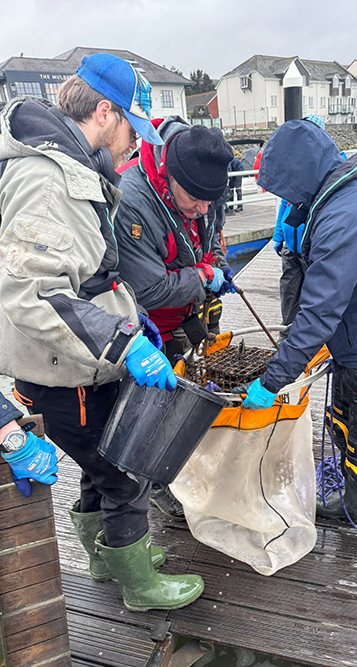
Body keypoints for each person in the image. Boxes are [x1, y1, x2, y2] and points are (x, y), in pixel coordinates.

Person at [0, 53, 202, 612]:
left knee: (96, 467)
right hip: (68, 374)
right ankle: (138, 587)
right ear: (105, 113)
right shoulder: (47, 180)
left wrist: (128, 319)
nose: (134, 146)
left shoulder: (73, 166)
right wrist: (124, 342)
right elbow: (32, 293)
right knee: (125, 473)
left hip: (80, 366)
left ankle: (104, 556)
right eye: (131, 129)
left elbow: (88, 275)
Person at [241, 119, 357, 596]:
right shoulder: (342, 191)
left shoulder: (347, 215)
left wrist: (272, 380)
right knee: (342, 424)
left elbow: (319, 312)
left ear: (303, 173)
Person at [113, 118, 235, 520]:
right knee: (154, 412)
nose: (203, 208)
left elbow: (213, 236)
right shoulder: (131, 197)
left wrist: (216, 267)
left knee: (192, 398)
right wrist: (202, 277)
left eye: (210, 200)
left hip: (189, 309)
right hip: (145, 326)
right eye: (196, 200)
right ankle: (158, 484)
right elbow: (147, 289)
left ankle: (189, 467)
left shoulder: (206, 190)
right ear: (170, 176)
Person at [270, 114, 328, 343]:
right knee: (289, 292)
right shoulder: (293, 167)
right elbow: (284, 204)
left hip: (311, 249)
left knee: (313, 295)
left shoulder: (324, 169)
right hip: (290, 247)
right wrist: (278, 237)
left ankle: (312, 339)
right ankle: (287, 336)